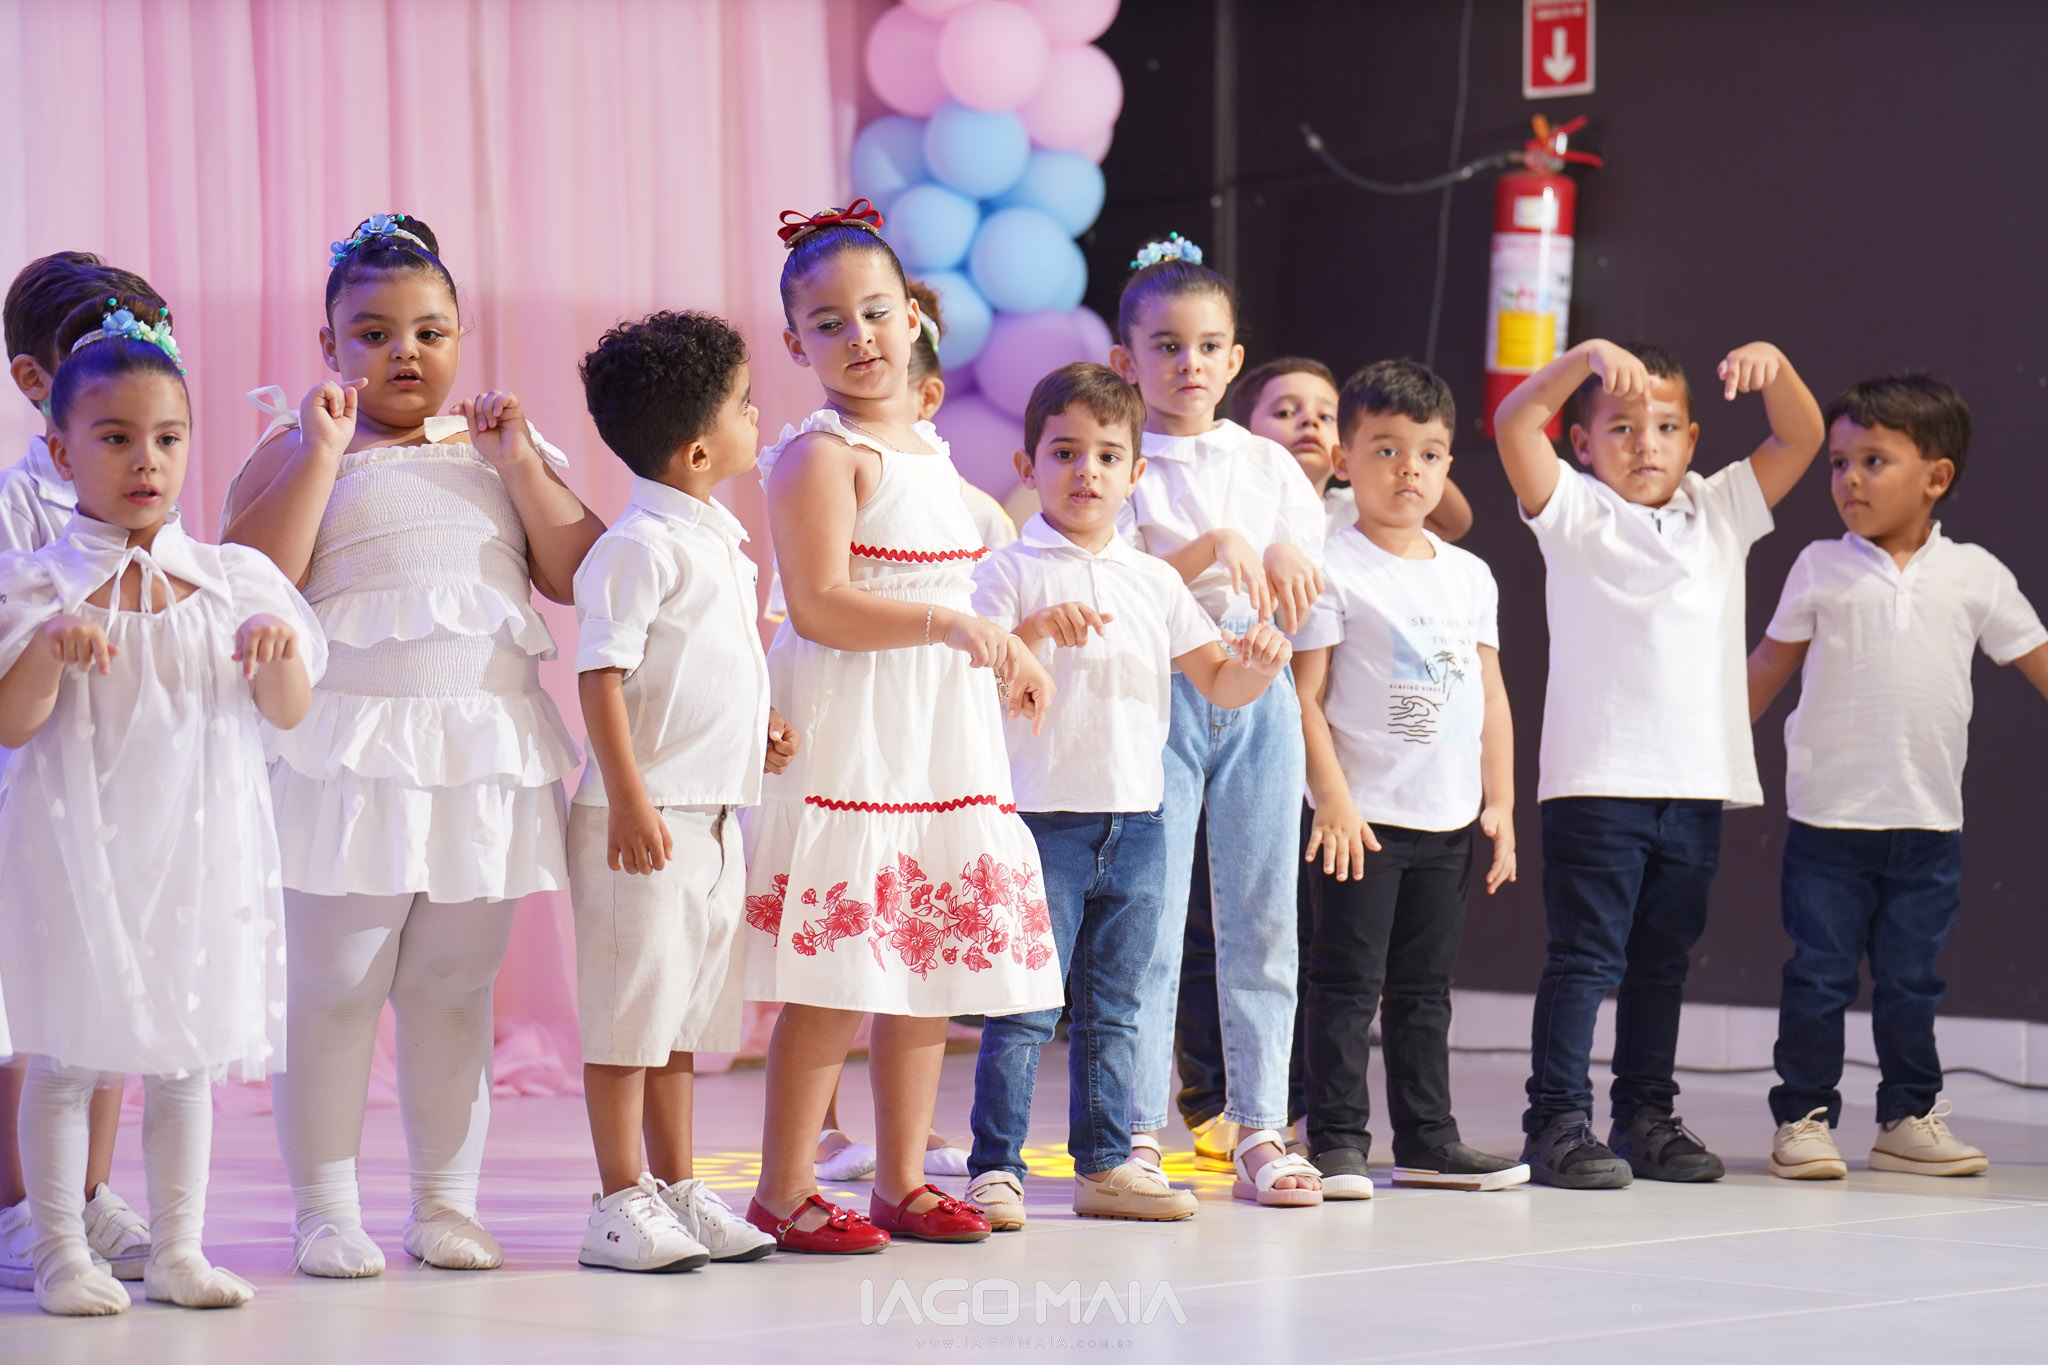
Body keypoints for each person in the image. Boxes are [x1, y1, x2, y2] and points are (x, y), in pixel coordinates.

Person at [221, 213, 605, 1275]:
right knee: (336, 983)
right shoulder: (299, 445)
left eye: (430, 333)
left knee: (453, 984)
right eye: (374, 333)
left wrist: (520, 463)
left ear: (461, 337)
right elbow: (251, 575)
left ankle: (445, 1202)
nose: (405, 353)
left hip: (480, 755)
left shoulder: (500, 448)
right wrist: (318, 452)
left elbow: (582, 573)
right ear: (329, 345)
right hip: (346, 757)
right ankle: (324, 1209)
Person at [737, 203, 1060, 1254]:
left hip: (937, 736)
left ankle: (903, 1179)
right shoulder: (819, 455)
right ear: (797, 345)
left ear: (912, 316)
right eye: (828, 323)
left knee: (926, 968)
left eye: (876, 312)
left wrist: (1008, 647)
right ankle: (784, 1187)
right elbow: (819, 603)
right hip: (857, 732)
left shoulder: (927, 449)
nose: (860, 336)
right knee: (838, 975)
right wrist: (953, 628)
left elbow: (963, 581)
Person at [0, 303, 322, 1313]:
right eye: (115, 437)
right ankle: (60, 1251)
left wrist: (274, 652)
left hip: (196, 852)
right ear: (62, 452)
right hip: (77, 853)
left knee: (186, 1061)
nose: (147, 460)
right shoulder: (37, 585)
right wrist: (48, 653)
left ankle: (179, 1247)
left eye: (168, 438)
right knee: (68, 1056)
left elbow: (288, 712)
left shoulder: (232, 581)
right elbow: (13, 724)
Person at [963, 362, 1292, 1226]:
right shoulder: (1007, 569)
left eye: (1109, 456)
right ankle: (995, 1168)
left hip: (1140, 822)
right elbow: (967, 679)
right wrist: (1030, 633)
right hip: (1039, 820)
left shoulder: (1155, 580)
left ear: (1136, 473)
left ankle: (1106, 1164)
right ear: (1028, 464)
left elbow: (1216, 680)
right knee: (1026, 1006)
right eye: (1065, 452)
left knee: (1117, 1007)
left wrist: (1257, 667)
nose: (1088, 471)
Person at [1492, 337, 1825, 1187]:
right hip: (1598, 781)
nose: (1647, 445)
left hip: (1696, 782)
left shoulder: (1719, 508)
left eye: (1667, 427)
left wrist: (1776, 366)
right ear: (1582, 443)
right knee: (1584, 957)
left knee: (1662, 961)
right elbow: (1514, 421)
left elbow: (1801, 435)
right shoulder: (1572, 509)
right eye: (1622, 427)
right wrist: (1582, 359)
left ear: (1693, 438)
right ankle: (1556, 1121)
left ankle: (1644, 1115)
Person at [1748, 374, 2048, 1180]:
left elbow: (2038, 658)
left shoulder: (1976, 574)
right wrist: (1705, 743)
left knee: (1912, 981)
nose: (1848, 478)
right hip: (1828, 823)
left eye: (1872, 460)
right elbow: (1768, 668)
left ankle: (1908, 1117)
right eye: (1838, 462)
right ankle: (1803, 1117)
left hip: (1928, 826)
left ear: (1935, 476)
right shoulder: (1819, 566)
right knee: (1819, 975)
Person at [568, 310, 786, 1270]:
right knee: (630, 1019)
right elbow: (601, 674)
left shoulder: (718, 543)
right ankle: (618, 1199)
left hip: (711, 820)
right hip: (643, 823)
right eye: (746, 404)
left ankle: (677, 1185)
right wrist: (628, 797)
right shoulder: (639, 546)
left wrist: (758, 730)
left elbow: (703, 668)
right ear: (699, 451)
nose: (757, 415)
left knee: (682, 1020)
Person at [1110, 234, 1325, 1203]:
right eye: (1165, 345)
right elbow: (1112, 584)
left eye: (1206, 347)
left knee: (1262, 914)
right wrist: (1215, 544)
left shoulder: (1266, 462)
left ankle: (1260, 1125)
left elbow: (1303, 574)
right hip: (1158, 690)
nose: (1186, 364)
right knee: (1150, 918)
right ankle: (1133, 1128)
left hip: (1257, 689)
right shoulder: (1119, 458)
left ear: (1234, 358)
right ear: (1126, 358)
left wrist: (1279, 557)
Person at [1290, 359, 1525, 1199]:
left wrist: (1500, 801)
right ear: (1344, 460)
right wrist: (1334, 799)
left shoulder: (1469, 574)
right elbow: (1304, 696)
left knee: (1425, 989)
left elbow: (1490, 693)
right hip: (1362, 819)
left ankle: (1428, 1139)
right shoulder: (1332, 564)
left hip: (1447, 817)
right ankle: (1337, 1139)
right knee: (1347, 984)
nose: (1407, 470)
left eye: (1427, 454)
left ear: (1447, 464)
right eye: (1385, 450)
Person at [0, 254, 163, 1288]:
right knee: (30, 1005)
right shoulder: (21, 504)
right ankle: (21, 1204)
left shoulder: (149, 490)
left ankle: (91, 1191)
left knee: (109, 990)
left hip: (125, 780)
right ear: (34, 381)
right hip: (34, 779)